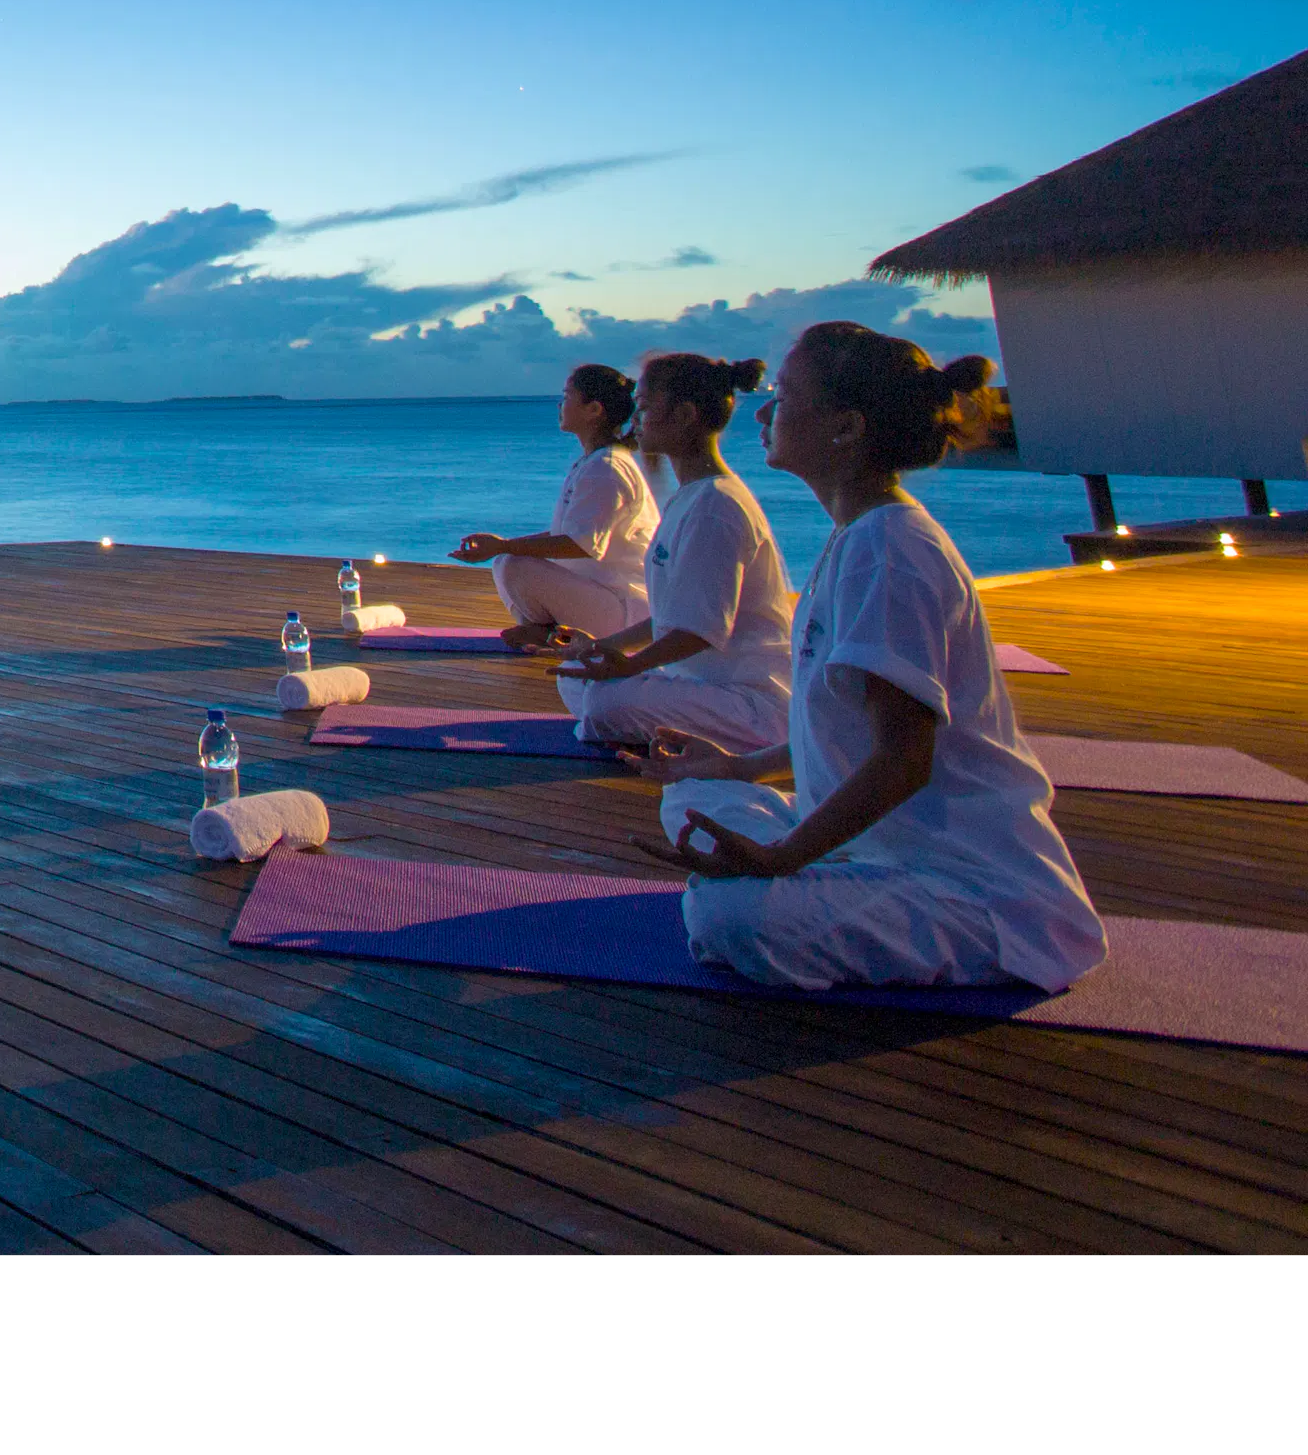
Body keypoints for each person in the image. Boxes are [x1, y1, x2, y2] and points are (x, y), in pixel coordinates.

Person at [641, 323, 1106, 993]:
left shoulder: (889, 552)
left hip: (973, 891)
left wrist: (783, 859)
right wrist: (738, 765)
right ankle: (811, 864)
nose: (767, 412)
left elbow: (903, 758)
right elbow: (847, 732)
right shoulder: (860, 535)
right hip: (877, 847)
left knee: (725, 915)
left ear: (845, 427)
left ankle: (808, 877)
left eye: (786, 395)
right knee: (696, 793)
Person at [554, 353, 793, 753]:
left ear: (684, 415)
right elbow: (673, 617)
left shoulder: (716, 507)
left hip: (750, 703)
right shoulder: (692, 496)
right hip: (701, 684)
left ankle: (715, 736)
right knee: (576, 672)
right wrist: (609, 645)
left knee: (604, 700)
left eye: (645, 409)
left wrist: (630, 664)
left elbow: (698, 632)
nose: (635, 422)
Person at [451, 362, 657, 652]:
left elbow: (583, 545)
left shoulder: (606, 468)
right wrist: (499, 546)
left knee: (514, 564)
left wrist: (505, 546)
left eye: (567, 396)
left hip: (625, 614)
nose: (560, 405)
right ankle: (540, 632)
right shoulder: (597, 463)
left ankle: (542, 633)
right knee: (504, 560)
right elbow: (569, 533)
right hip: (606, 600)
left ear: (594, 410)